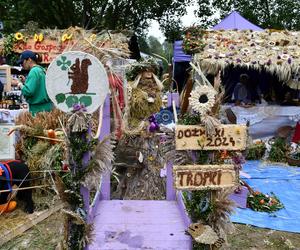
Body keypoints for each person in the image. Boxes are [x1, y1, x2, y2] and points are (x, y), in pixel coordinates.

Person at [16, 50, 53, 116]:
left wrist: (19, 84)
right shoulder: (41, 70)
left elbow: (28, 92)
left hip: (38, 110)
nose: (21, 65)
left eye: (22, 62)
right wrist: (25, 82)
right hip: (46, 108)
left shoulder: (33, 71)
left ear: (29, 60)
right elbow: (38, 86)